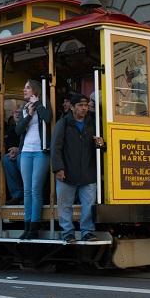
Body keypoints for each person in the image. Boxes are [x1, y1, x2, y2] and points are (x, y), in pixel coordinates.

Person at [52, 93, 105, 242]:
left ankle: (87, 232)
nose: (84, 108)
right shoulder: (63, 123)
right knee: (65, 206)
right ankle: (68, 233)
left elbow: (101, 146)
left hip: (88, 172)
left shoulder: (94, 123)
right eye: (80, 106)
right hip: (66, 173)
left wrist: (102, 144)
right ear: (72, 107)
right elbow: (55, 147)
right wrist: (58, 169)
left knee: (88, 206)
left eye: (86, 106)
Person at [15, 79, 52, 239]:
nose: (24, 90)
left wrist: (37, 104)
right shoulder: (25, 108)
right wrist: (28, 115)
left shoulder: (43, 105)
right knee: (27, 190)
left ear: (35, 91)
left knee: (36, 189)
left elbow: (48, 118)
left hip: (40, 151)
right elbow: (18, 130)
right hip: (26, 151)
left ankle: (34, 226)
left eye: (27, 87)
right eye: (24, 87)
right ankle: (27, 225)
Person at [2, 107, 23, 205]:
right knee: (6, 159)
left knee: (20, 161)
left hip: (25, 153)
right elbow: (7, 141)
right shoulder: (10, 128)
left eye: (19, 112)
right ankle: (16, 195)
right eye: (15, 112)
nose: (17, 114)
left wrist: (19, 150)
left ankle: (26, 194)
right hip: (13, 154)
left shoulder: (27, 125)